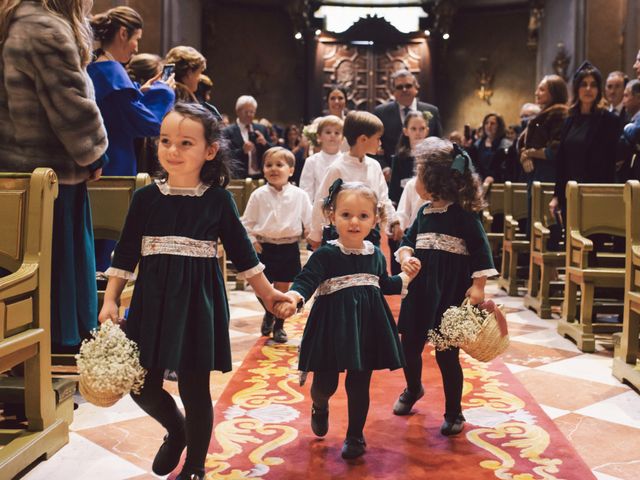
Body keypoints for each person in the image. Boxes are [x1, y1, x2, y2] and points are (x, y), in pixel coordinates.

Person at [98, 103, 289, 480]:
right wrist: (109, 299)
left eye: (186, 143)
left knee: (194, 387)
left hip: (198, 303)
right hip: (152, 302)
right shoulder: (145, 198)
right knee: (141, 385)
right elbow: (126, 251)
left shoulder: (217, 200)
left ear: (210, 150)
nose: (172, 150)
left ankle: (196, 468)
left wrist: (269, 295)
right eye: (165, 141)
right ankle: (178, 429)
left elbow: (243, 253)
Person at [275, 181, 416, 460]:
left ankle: (355, 436)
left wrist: (406, 276)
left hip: (366, 325)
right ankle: (319, 404)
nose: (354, 221)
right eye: (346, 214)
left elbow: (384, 283)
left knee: (359, 382)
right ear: (332, 215)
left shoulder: (375, 254)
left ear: (374, 219)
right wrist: (293, 298)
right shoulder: (326, 253)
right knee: (326, 384)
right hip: (332, 326)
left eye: (363, 216)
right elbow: (306, 281)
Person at [0, 0, 108, 353]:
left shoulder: (13, 21)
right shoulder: (45, 28)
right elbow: (70, 103)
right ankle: (54, 347)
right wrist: (96, 152)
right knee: (56, 267)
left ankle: (28, 350)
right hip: (52, 176)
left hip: (17, 173)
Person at [393, 138, 498, 436]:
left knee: (446, 354)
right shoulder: (424, 213)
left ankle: (454, 411)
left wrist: (478, 286)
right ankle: (413, 388)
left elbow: (481, 252)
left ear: (435, 180)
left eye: (419, 173)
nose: (415, 179)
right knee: (409, 347)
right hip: (420, 292)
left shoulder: (464, 216)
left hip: (450, 297)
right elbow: (407, 242)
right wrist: (407, 256)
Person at [89, 6, 175, 272]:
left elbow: (122, 109)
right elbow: (148, 123)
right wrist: (163, 92)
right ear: (123, 33)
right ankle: (100, 308)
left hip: (98, 159)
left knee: (95, 240)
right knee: (104, 242)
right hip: (113, 163)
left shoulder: (94, 67)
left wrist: (140, 91)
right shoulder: (111, 71)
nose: (136, 48)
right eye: (136, 39)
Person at [241, 147, 312, 343]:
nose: (273, 169)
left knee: (282, 287)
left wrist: (311, 234)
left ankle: (279, 326)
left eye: (279, 165)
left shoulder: (300, 195)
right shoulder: (258, 195)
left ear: (291, 170)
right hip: (265, 247)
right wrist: (253, 241)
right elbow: (246, 222)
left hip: (289, 247)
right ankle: (269, 312)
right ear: (263, 170)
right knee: (260, 288)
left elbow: (309, 220)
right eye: (268, 165)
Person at [307, 111, 396, 249]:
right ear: (363, 139)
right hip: (340, 234)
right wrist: (316, 234)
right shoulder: (337, 168)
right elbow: (322, 201)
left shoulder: (374, 165)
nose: (380, 142)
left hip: (369, 232)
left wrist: (393, 222)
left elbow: (383, 198)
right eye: (378, 138)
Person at [550, 62, 620, 223]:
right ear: (576, 89)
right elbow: (562, 162)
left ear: (598, 90)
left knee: (593, 244)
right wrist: (556, 196)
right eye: (584, 84)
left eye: (593, 85)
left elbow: (610, 163)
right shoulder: (569, 120)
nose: (588, 89)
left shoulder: (609, 121)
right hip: (571, 194)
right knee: (570, 243)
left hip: (596, 195)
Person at [517, 74, 568, 239]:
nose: (537, 92)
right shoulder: (542, 115)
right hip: (537, 175)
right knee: (535, 223)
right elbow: (522, 145)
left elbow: (555, 150)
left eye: (542, 89)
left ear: (554, 92)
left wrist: (529, 153)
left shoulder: (559, 114)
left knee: (547, 226)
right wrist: (525, 155)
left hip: (549, 175)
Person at [374, 69, 442, 178]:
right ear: (393, 92)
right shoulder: (381, 112)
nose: (404, 90)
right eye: (399, 87)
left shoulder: (432, 111)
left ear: (416, 88)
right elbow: (374, 144)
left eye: (408, 86)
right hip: (391, 175)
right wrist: (384, 167)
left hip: (426, 174)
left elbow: (439, 143)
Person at [388, 111, 431, 274]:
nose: (418, 133)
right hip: (405, 208)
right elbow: (393, 192)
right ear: (406, 131)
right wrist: (396, 221)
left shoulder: (433, 156)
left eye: (421, 128)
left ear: (427, 130)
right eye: (414, 129)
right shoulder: (400, 158)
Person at [165, 45, 222, 121]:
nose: (200, 78)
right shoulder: (188, 108)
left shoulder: (163, 96)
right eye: (199, 73)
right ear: (189, 73)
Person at [223, 95, 272, 179]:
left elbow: (273, 151)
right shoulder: (228, 131)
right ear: (238, 111)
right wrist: (242, 151)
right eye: (246, 112)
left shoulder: (261, 129)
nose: (249, 115)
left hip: (261, 176)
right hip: (239, 177)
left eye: (252, 112)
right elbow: (225, 157)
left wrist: (265, 143)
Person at [299, 115, 344, 203]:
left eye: (337, 133)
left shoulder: (346, 161)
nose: (332, 135)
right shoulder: (311, 161)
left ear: (342, 138)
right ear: (319, 137)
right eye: (328, 132)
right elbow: (306, 190)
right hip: (318, 209)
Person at [469, 113, 511, 188]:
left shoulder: (506, 144)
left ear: (499, 126)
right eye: (486, 123)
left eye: (492, 123)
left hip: (498, 183)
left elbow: (505, 168)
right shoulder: (478, 144)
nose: (489, 126)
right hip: (480, 181)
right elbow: (474, 164)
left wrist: (492, 177)